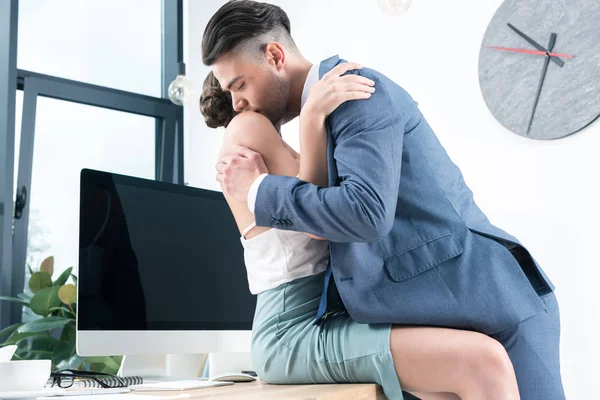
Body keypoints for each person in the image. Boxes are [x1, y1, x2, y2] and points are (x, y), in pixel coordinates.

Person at [204, 1, 565, 399]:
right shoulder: (312, 117)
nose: (238, 101)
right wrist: (309, 124)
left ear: (274, 55)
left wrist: (256, 190)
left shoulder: (354, 91)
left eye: (240, 84)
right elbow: (322, 206)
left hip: (491, 301)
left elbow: (364, 212)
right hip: (440, 303)